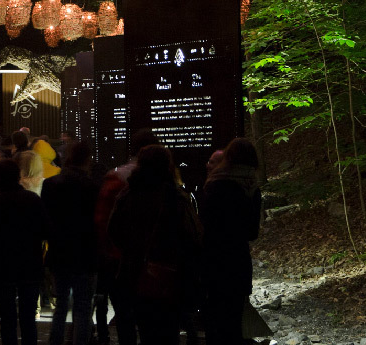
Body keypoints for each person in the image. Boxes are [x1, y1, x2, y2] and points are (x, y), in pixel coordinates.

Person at [108, 146, 202, 345]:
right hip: (172, 278)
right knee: (169, 334)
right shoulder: (175, 198)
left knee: (146, 331)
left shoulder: (128, 195)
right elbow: (193, 237)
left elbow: (113, 231)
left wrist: (133, 252)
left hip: (136, 276)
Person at [93, 130, 160, 345]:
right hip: (158, 261)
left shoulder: (117, 177)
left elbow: (102, 221)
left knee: (125, 316)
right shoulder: (167, 182)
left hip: (121, 260)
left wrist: (107, 252)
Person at [199, 139, 263, 345]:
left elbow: (204, 227)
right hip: (238, 261)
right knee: (235, 320)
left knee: (213, 317)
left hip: (212, 259)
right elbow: (252, 233)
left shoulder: (213, 185)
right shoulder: (252, 188)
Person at [0, 159, 49, 345]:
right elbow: (45, 230)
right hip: (30, 263)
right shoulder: (32, 200)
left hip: (1, 266)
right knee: (28, 319)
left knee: (7, 318)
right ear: (18, 176)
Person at [40, 142, 99, 345]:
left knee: (61, 305)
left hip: (59, 252)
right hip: (85, 253)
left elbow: (45, 221)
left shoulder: (50, 184)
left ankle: (55, 341)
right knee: (83, 307)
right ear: (88, 160)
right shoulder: (92, 187)